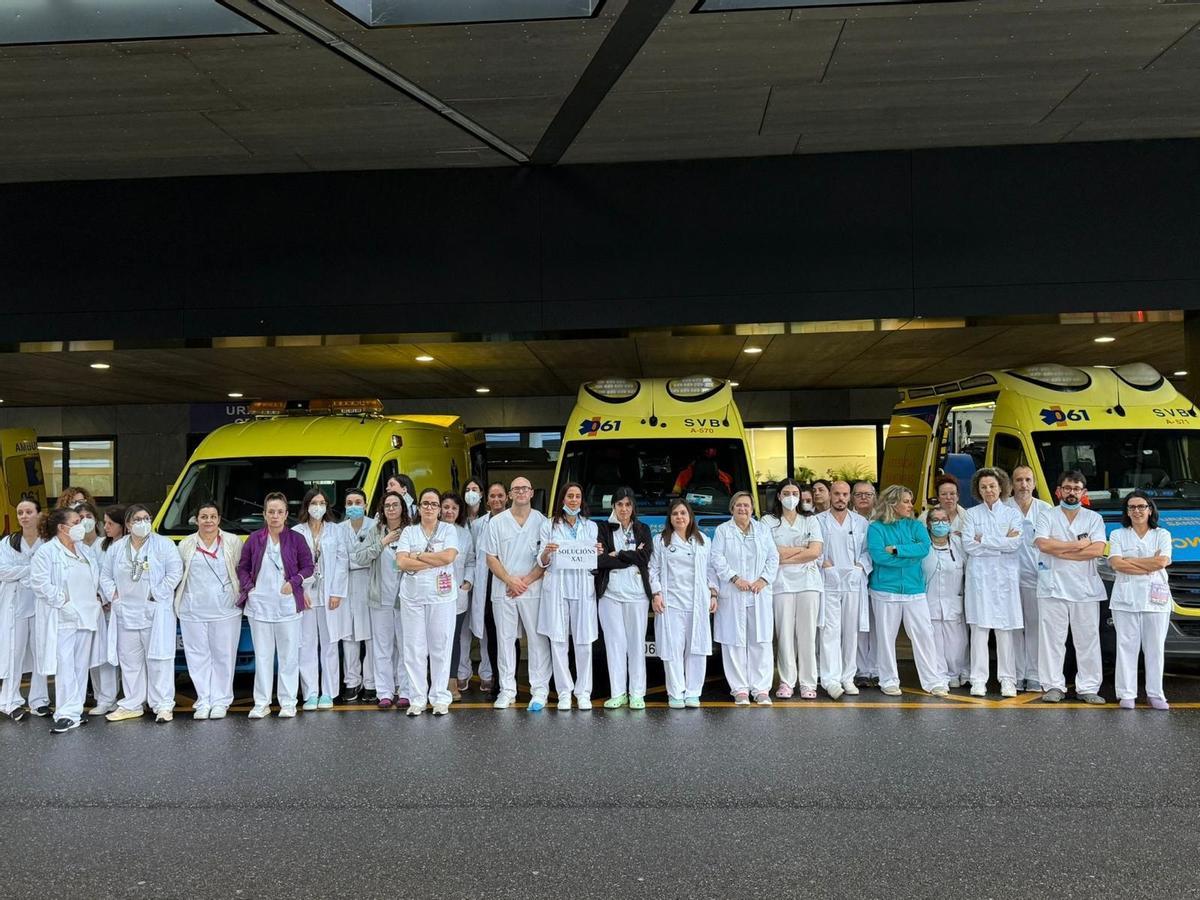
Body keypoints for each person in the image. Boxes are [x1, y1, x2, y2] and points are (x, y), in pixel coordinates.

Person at [100, 504, 183, 723]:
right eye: (137, 519)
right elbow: (105, 575)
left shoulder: (163, 545)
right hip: (126, 611)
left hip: (155, 611)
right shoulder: (117, 548)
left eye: (146, 518)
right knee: (130, 660)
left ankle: (163, 705)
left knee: (159, 659)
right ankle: (133, 703)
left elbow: (175, 572)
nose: (143, 523)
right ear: (128, 524)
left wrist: (157, 594)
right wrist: (114, 595)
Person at [866, 485, 949, 698]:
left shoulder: (915, 526)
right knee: (885, 637)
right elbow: (878, 557)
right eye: (906, 501)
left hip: (914, 589)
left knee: (923, 635)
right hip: (885, 590)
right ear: (893, 503)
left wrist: (897, 550)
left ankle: (933, 681)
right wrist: (908, 556)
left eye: (910, 501)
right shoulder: (876, 528)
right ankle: (889, 680)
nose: (910, 506)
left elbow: (924, 548)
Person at [236, 492, 314, 719]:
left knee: (289, 656)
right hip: (260, 605)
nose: (275, 516)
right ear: (264, 514)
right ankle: (261, 703)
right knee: (262, 656)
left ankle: (288, 702)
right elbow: (242, 567)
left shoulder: (296, 539)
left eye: (280, 512)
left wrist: (294, 582)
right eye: (271, 512)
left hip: (287, 605)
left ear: (286, 515)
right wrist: (249, 586)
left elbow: (308, 567)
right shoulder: (254, 539)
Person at [1033, 470, 1107, 704]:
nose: (1071, 492)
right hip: (1052, 587)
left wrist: (1061, 551)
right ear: (1058, 491)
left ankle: (1088, 687)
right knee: (1051, 639)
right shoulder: (1047, 515)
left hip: (1085, 588)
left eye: (1076, 489)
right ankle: (1053, 685)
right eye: (1067, 488)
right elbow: (1043, 544)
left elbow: (1097, 550)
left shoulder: (1093, 519)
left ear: (1083, 493)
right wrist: (1077, 546)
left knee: (1087, 639)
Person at [29, 507, 102, 733]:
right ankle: (65, 713)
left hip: (87, 615)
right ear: (62, 528)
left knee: (80, 666)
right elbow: (40, 583)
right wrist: (64, 601)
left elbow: (94, 578)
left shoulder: (85, 550)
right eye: (76, 521)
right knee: (65, 666)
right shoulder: (47, 552)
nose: (82, 525)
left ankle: (75, 709)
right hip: (62, 617)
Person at [484, 477, 551, 711]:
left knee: (537, 640)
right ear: (510, 494)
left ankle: (539, 690)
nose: (521, 491)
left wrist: (526, 581)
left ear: (532, 493)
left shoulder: (542, 521)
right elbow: (490, 557)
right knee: (505, 641)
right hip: (505, 588)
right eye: (517, 489)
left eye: (526, 488)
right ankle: (507, 690)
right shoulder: (497, 522)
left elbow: (546, 558)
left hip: (533, 588)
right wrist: (510, 580)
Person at [960, 468, 1025, 697]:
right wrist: (1000, 542)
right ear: (978, 490)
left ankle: (1008, 679)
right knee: (979, 630)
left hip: (1005, 579)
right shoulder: (971, 514)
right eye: (984, 487)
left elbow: (1015, 544)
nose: (989, 490)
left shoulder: (1013, 514)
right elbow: (969, 545)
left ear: (1001, 487)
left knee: (1005, 631)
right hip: (980, 579)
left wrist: (984, 540)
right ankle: (979, 680)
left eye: (992, 486)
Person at [175, 501, 242, 720]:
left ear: (219, 519)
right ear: (197, 520)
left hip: (225, 608)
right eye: (204, 517)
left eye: (213, 516)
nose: (208, 521)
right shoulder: (186, 544)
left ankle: (221, 700)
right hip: (192, 609)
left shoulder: (232, 542)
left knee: (224, 655)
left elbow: (241, 571)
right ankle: (203, 700)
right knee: (197, 657)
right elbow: (179, 574)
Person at [395, 488, 460, 716]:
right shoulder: (409, 532)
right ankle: (418, 698)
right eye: (425, 503)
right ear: (419, 507)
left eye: (434, 504)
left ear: (440, 508)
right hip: (412, 597)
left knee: (440, 646)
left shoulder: (449, 530)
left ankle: (440, 697)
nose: (429, 507)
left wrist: (417, 556)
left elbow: (449, 557)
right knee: (414, 648)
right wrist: (433, 560)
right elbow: (401, 563)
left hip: (441, 598)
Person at [711, 491, 779, 706]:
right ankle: (739, 689)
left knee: (760, 641)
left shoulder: (762, 530)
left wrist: (764, 580)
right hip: (734, 592)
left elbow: (773, 557)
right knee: (734, 642)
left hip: (758, 593)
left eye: (746, 506)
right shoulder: (723, 531)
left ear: (752, 509)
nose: (742, 509)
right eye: (738, 506)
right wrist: (734, 578)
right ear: (732, 509)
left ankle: (761, 689)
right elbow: (716, 558)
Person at [1108, 491, 1172, 710]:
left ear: (1150, 509)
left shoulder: (1161, 534)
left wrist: (1131, 561)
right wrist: (1148, 563)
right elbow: (1116, 564)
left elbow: (1162, 561)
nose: (1137, 511)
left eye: (1141, 506)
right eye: (1132, 507)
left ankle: (1156, 694)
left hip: (1157, 599)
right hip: (1125, 599)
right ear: (1127, 511)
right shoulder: (1118, 534)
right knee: (1126, 646)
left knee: (1155, 648)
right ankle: (1127, 693)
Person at [649, 499, 717, 709]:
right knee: (673, 649)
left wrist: (713, 593)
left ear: (690, 517)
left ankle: (693, 692)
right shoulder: (660, 541)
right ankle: (676, 693)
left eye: (683, 513)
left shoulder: (703, 540)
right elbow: (653, 569)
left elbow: (710, 569)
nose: (679, 517)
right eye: (675, 514)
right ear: (670, 518)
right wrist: (656, 593)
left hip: (697, 603)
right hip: (671, 603)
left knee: (696, 649)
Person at [537, 483, 599, 711]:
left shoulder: (591, 527)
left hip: (582, 587)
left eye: (577, 497)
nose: (573, 500)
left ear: (582, 501)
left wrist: (597, 553)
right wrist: (547, 552)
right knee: (559, 640)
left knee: (583, 642)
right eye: (570, 496)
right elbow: (541, 560)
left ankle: (583, 692)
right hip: (558, 587)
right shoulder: (548, 526)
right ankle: (564, 692)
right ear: (562, 499)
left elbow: (592, 557)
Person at [762, 478, 824, 700]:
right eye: (786, 493)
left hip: (809, 583)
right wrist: (800, 550)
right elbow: (771, 554)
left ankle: (808, 683)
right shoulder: (767, 521)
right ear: (778, 496)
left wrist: (786, 555)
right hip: (781, 584)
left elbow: (815, 551)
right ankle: (787, 681)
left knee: (807, 634)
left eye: (795, 493)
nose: (791, 497)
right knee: (785, 634)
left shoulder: (810, 520)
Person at [349, 490, 409, 709]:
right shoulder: (376, 531)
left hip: (405, 599)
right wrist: (383, 541)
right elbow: (361, 556)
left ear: (403, 508)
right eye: (387, 505)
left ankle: (405, 690)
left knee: (404, 646)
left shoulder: (411, 532)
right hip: (380, 598)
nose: (391, 509)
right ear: (382, 510)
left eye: (395, 504)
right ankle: (385, 692)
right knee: (382, 647)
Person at [595, 486, 654, 710]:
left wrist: (617, 554)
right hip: (610, 595)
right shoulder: (603, 528)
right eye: (619, 504)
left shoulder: (643, 529)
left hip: (637, 595)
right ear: (614, 506)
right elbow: (600, 561)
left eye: (628, 504)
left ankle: (637, 693)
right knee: (614, 644)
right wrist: (631, 557)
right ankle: (618, 693)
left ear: (633, 507)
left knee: (636, 644)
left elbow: (645, 556)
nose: (624, 508)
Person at [293, 488, 349, 711]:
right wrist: (301, 591)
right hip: (307, 595)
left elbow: (343, 562)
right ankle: (310, 693)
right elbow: (293, 564)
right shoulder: (296, 532)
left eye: (322, 502)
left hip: (329, 595)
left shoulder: (336, 531)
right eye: (314, 502)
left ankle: (328, 692)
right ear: (307, 506)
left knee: (329, 644)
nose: (318, 506)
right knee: (305, 645)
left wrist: (337, 592)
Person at [817, 481, 872, 700]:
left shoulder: (861, 522)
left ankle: (848, 677)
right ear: (830, 495)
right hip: (828, 582)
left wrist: (861, 567)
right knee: (830, 631)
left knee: (851, 631)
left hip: (853, 582)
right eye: (837, 494)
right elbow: (813, 547)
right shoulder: (817, 521)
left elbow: (869, 551)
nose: (841, 498)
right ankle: (830, 679)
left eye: (845, 494)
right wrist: (824, 564)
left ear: (850, 497)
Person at [1004, 465, 1053, 692]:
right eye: (1019, 480)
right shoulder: (1003, 509)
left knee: (1035, 627)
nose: (1023, 485)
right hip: (1009, 579)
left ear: (1034, 483)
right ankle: (1015, 674)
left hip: (1037, 578)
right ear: (1011, 484)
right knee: (1013, 627)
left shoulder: (1046, 510)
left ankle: (1034, 674)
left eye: (1027, 480)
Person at [0, 498, 48, 721]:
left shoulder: (48, 542)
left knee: (41, 653)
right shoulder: (8, 542)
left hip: (40, 607)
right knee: (14, 653)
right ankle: (9, 701)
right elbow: (2, 571)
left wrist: (21, 572)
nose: (24, 516)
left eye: (29, 511)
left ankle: (39, 701)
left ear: (38, 514)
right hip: (15, 607)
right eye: (20, 512)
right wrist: (32, 570)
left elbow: (49, 572)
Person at [74, 501, 116, 715]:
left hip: (105, 607)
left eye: (88, 516)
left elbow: (109, 575)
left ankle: (108, 698)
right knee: (90, 656)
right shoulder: (74, 547)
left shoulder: (105, 545)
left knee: (106, 654)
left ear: (96, 520)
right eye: (79, 518)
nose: (84, 521)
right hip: (84, 609)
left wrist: (103, 596)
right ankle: (98, 696)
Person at [87, 504, 126, 716]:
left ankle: (135, 697)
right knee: (103, 655)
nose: (106, 527)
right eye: (105, 523)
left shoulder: (132, 545)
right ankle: (106, 698)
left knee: (129, 657)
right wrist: (103, 596)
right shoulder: (100, 546)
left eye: (111, 523)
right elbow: (95, 575)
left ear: (123, 525)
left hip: (128, 607)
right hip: (104, 609)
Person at [922, 507, 967, 689]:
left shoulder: (959, 544)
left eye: (944, 519)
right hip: (929, 600)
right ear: (928, 524)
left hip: (954, 600)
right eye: (935, 520)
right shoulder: (923, 545)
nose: (940, 523)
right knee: (934, 641)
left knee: (957, 642)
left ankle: (956, 673)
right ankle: (939, 675)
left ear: (950, 523)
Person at [471, 482, 509, 697]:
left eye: (500, 496)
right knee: (493, 637)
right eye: (493, 496)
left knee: (509, 636)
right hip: (486, 586)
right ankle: (496, 679)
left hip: (506, 583)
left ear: (507, 498)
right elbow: (477, 557)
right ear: (487, 500)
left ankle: (508, 681)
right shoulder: (478, 525)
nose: (496, 500)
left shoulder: (512, 520)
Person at [339, 488, 376, 703]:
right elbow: (340, 558)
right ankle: (352, 681)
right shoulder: (338, 529)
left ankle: (371, 682)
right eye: (350, 502)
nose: (354, 506)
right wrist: (358, 559)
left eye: (358, 502)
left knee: (370, 636)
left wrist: (356, 559)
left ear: (365, 504)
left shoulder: (374, 526)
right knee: (349, 636)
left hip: (369, 584)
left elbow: (372, 555)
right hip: (345, 585)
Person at [455, 478, 492, 694]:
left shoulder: (488, 520)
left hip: (484, 580)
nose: (471, 493)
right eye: (467, 489)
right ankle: (462, 671)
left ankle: (486, 672)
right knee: (462, 630)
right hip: (461, 581)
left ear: (481, 494)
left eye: (475, 489)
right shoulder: (458, 522)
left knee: (484, 628)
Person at [440, 491, 474, 701]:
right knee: (434, 639)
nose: (449, 511)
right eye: (446, 507)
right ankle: (435, 680)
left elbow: (470, 560)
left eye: (454, 508)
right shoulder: (431, 531)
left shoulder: (464, 534)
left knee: (453, 639)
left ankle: (451, 680)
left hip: (457, 594)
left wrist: (468, 582)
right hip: (433, 593)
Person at [851, 480, 879, 686]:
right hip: (854, 578)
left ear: (874, 497)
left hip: (880, 577)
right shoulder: (846, 518)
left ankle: (877, 669)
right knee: (859, 625)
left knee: (878, 626)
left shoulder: (882, 518)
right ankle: (861, 670)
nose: (863, 498)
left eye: (867, 494)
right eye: (859, 494)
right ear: (852, 497)